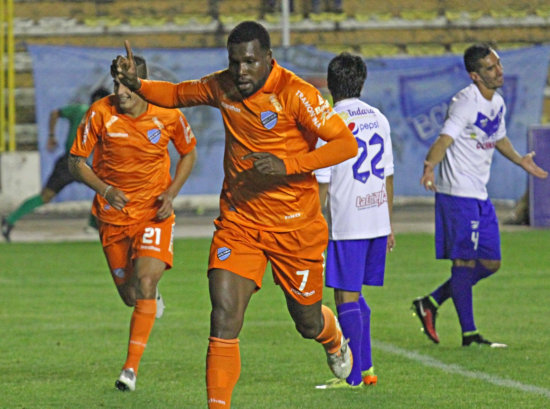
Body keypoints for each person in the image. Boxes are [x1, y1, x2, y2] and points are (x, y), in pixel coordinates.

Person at [112, 21, 358, 408]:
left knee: (306, 321)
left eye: (249, 62)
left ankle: (331, 337)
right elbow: (176, 94)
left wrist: (289, 164)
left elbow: (345, 144)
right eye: (234, 62)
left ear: (268, 59)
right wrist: (139, 85)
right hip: (240, 223)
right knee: (224, 316)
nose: (241, 71)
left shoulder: (295, 92)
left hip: (295, 228)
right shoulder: (222, 84)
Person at [68, 55, 197, 392]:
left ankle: (130, 370)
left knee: (145, 284)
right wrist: (105, 189)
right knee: (131, 296)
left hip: (154, 213)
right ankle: (148, 298)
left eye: (127, 84)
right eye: (116, 84)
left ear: (141, 83)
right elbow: (75, 161)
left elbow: (188, 152)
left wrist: (171, 192)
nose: (120, 92)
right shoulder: (100, 113)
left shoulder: (168, 113)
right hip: (112, 217)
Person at [412, 43, 548, 348]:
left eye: (498, 64)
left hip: (478, 193)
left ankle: (431, 302)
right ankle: (469, 335)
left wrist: (520, 160)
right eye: (490, 67)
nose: (498, 71)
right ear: (475, 75)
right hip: (457, 193)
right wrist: (430, 166)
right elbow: (444, 138)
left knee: (491, 262)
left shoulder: (496, 102)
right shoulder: (464, 102)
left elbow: (497, 137)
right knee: (464, 263)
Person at [314, 52, 394, 389]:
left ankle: (351, 377)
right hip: (376, 218)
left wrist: (313, 229)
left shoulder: (328, 123)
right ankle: (368, 369)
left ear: (330, 84)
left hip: (348, 223)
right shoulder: (379, 118)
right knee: (353, 295)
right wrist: (389, 223)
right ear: (361, 82)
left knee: (345, 298)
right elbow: (388, 175)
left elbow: (322, 183)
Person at [1, 87, 110, 242]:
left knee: (45, 196)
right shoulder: (97, 116)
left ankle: (10, 220)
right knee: (104, 189)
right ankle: (92, 225)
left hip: (69, 162)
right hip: (74, 162)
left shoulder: (80, 110)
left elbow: (55, 113)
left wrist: (51, 136)